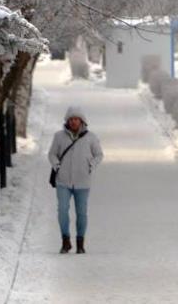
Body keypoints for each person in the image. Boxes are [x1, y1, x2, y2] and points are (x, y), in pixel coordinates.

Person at [48, 106, 103, 254]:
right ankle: (65, 240)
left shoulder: (91, 137)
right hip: (63, 181)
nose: (73, 122)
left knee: (82, 213)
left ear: (81, 121)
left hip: (82, 181)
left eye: (76, 119)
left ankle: (80, 242)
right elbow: (52, 154)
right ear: (67, 121)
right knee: (62, 210)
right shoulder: (59, 136)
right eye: (71, 119)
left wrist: (91, 165)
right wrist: (56, 165)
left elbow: (99, 154)